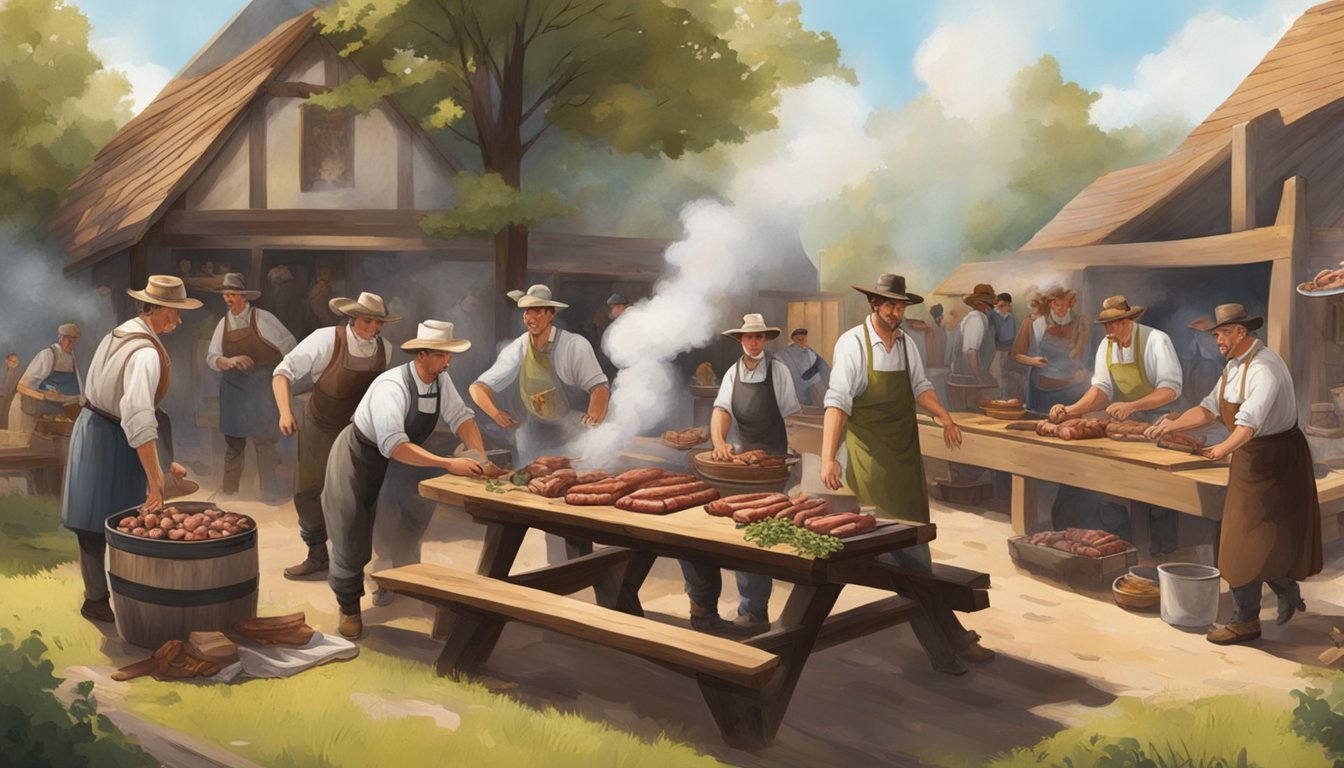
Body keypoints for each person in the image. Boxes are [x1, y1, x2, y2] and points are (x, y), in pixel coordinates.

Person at [820, 273, 991, 672]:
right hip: (871, 463)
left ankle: (951, 641)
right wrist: (829, 457)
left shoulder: (907, 345)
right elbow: (838, 403)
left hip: (905, 460)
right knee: (903, 561)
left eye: (900, 306)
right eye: (890, 305)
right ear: (874, 305)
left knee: (915, 554)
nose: (896, 312)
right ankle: (946, 647)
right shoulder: (853, 344)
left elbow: (920, 387)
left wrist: (944, 414)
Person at [1146, 303, 1320, 645]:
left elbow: (1249, 421)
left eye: (1223, 333)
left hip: (1276, 459)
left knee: (1251, 540)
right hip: (1250, 458)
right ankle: (1283, 591)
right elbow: (1209, 408)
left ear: (1241, 332)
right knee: (1248, 539)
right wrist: (1172, 425)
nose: (1217, 341)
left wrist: (1221, 449)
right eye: (1215, 335)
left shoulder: (1265, 367)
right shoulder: (1233, 368)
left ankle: (1245, 621)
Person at [323, 320, 496, 639]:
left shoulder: (440, 380)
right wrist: (451, 463)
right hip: (360, 456)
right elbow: (394, 445)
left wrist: (480, 457)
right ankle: (349, 607)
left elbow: (462, 418)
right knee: (352, 530)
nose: (449, 362)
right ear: (421, 355)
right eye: (443, 355)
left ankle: (394, 582)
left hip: (403, 457)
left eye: (449, 355)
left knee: (408, 518)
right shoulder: (392, 387)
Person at [60, 276, 201, 623]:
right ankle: (105, 599)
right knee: (114, 524)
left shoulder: (121, 331)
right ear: (156, 308)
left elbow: (141, 412)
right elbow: (138, 416)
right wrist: (156, 479)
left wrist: (167, 464)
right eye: (175, 311)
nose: (179, 320)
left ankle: (114, 596)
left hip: (96, 429)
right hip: (110, 438)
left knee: (112, 522)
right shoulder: (145, 354)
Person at [469, 284, 617, 604]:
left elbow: (600, 388)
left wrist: (594, 418)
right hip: (534, 435)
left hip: (571, 436)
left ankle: (580, 572)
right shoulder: (519, 348)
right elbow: (479, 387)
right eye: (527, 311)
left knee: (574, 508)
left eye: (538, 310)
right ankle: (556, 574)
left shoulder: (573, 346)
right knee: (538, 504)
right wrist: (495, 413)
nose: (531, 317)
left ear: (551, 314)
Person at [682, 314, 800, 635]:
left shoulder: (779, 371)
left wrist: (788, 462)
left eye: (759, 337)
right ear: (740, 340)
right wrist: (720, 442)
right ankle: (705, 607)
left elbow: (792, 418)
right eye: (748, 337)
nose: (754, 342)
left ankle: (754, 611)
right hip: (741, 460)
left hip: (772, 464)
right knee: (720, 531)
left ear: (765, 340)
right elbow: (722, 411)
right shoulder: (733, 372)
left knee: (755, 535)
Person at [273, 292, 398, 581]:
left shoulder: (385, 350)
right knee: (308, 490)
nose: (373, 329)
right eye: (367, 321)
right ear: (353, 318)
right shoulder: (327, 339)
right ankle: (316, 555)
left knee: (355, 495)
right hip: (320, 424)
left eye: (378, 323)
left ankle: (351, 561)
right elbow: (283, 373)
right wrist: (285, 412)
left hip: (357, 431)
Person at [1049, 295, 1184, 551]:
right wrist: (1071, 410)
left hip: (1162, 419)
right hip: (1125, 424)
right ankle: (1107, 539)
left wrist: (1133, 405)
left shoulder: (1156, 340)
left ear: (1127, 321)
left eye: (1112, 324)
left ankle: (1161, 551)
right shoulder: (1107, 345)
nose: (1108, 331)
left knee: (1159, 486)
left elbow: (1170, 390)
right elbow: (1101, 390)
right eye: (1106, 325)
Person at [206, 273, 296, 500]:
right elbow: (212, 357)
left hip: (262, 389)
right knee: (234, 444)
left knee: (265, 442)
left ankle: (269, 492)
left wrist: (282, 377)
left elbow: (290, 346)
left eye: (233, 294)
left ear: (243, 297)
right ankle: (230, 492)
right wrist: (228, 361)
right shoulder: (223, 323)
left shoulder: (263, 318)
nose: (228, 298)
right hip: (234, 390)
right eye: (225, 294)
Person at [1011, 285, 1089, 413]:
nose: (1064, 310)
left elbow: (1085, 355)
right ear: (1051, 304)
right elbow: (1015, 354)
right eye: (1059, 306)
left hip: (1071, 389)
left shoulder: (1078, 325)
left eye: (1066, 306)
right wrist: (1033, 361)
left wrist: (1082, 369)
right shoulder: (1035, 324)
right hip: (1043, 389)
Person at [12, 323, 83, 435]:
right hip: (28, 411)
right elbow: (21, 387)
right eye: (69, 341)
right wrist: (43, 395)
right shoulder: (47, 355)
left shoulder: (71, 358)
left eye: (73, 342)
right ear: (61, 339)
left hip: (51, 413)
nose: (71, 345)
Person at [949, 283, 999, 408]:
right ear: (982, 305)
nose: (991, 309)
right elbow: (970, 352)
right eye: (990, 305)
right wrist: (979, 378)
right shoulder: (975, 319)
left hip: (969, 380)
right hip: (967, 382)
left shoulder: (979, 318)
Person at [776, 328, 831, 406]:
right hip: (793, 386)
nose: (801, 341)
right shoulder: (785, 353)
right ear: (794, 339)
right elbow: (777, 358)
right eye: (799, 339)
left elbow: (821, 368)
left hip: (810, 387)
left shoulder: (811, 352)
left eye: (803, 339)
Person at [991, 293, 1025, 400]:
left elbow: (1018, 336)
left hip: (1010, 352)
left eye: (1002, 306)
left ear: (1008, 306)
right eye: (997, 306)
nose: (999, 309)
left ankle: (1009, 399)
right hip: (996, 352)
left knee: (1010, 377)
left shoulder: (1013, 319)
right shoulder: (993, 317)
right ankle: (1000, 400)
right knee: (998, 377)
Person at [1, 353, 20, 430]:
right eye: (13, 361)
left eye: (17, 362)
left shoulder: (20, 372)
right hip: (1, 396)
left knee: (6, 418)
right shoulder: (2, 370)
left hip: (10, 399)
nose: (15, 364)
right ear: (6, 361)